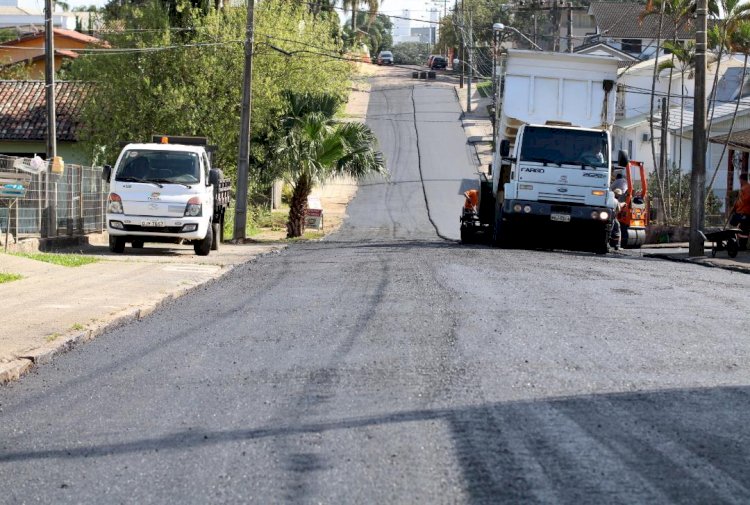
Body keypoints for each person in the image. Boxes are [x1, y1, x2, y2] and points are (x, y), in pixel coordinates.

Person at [730, 173, 750, 249]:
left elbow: (743, 200)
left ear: (741, 179)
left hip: (743, 212)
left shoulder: (746, 188)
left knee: (741, 228)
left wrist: (735, 207)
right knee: (743, 229)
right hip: (743, 212)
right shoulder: (745, 188)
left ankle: (741, 245)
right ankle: (741, 244)